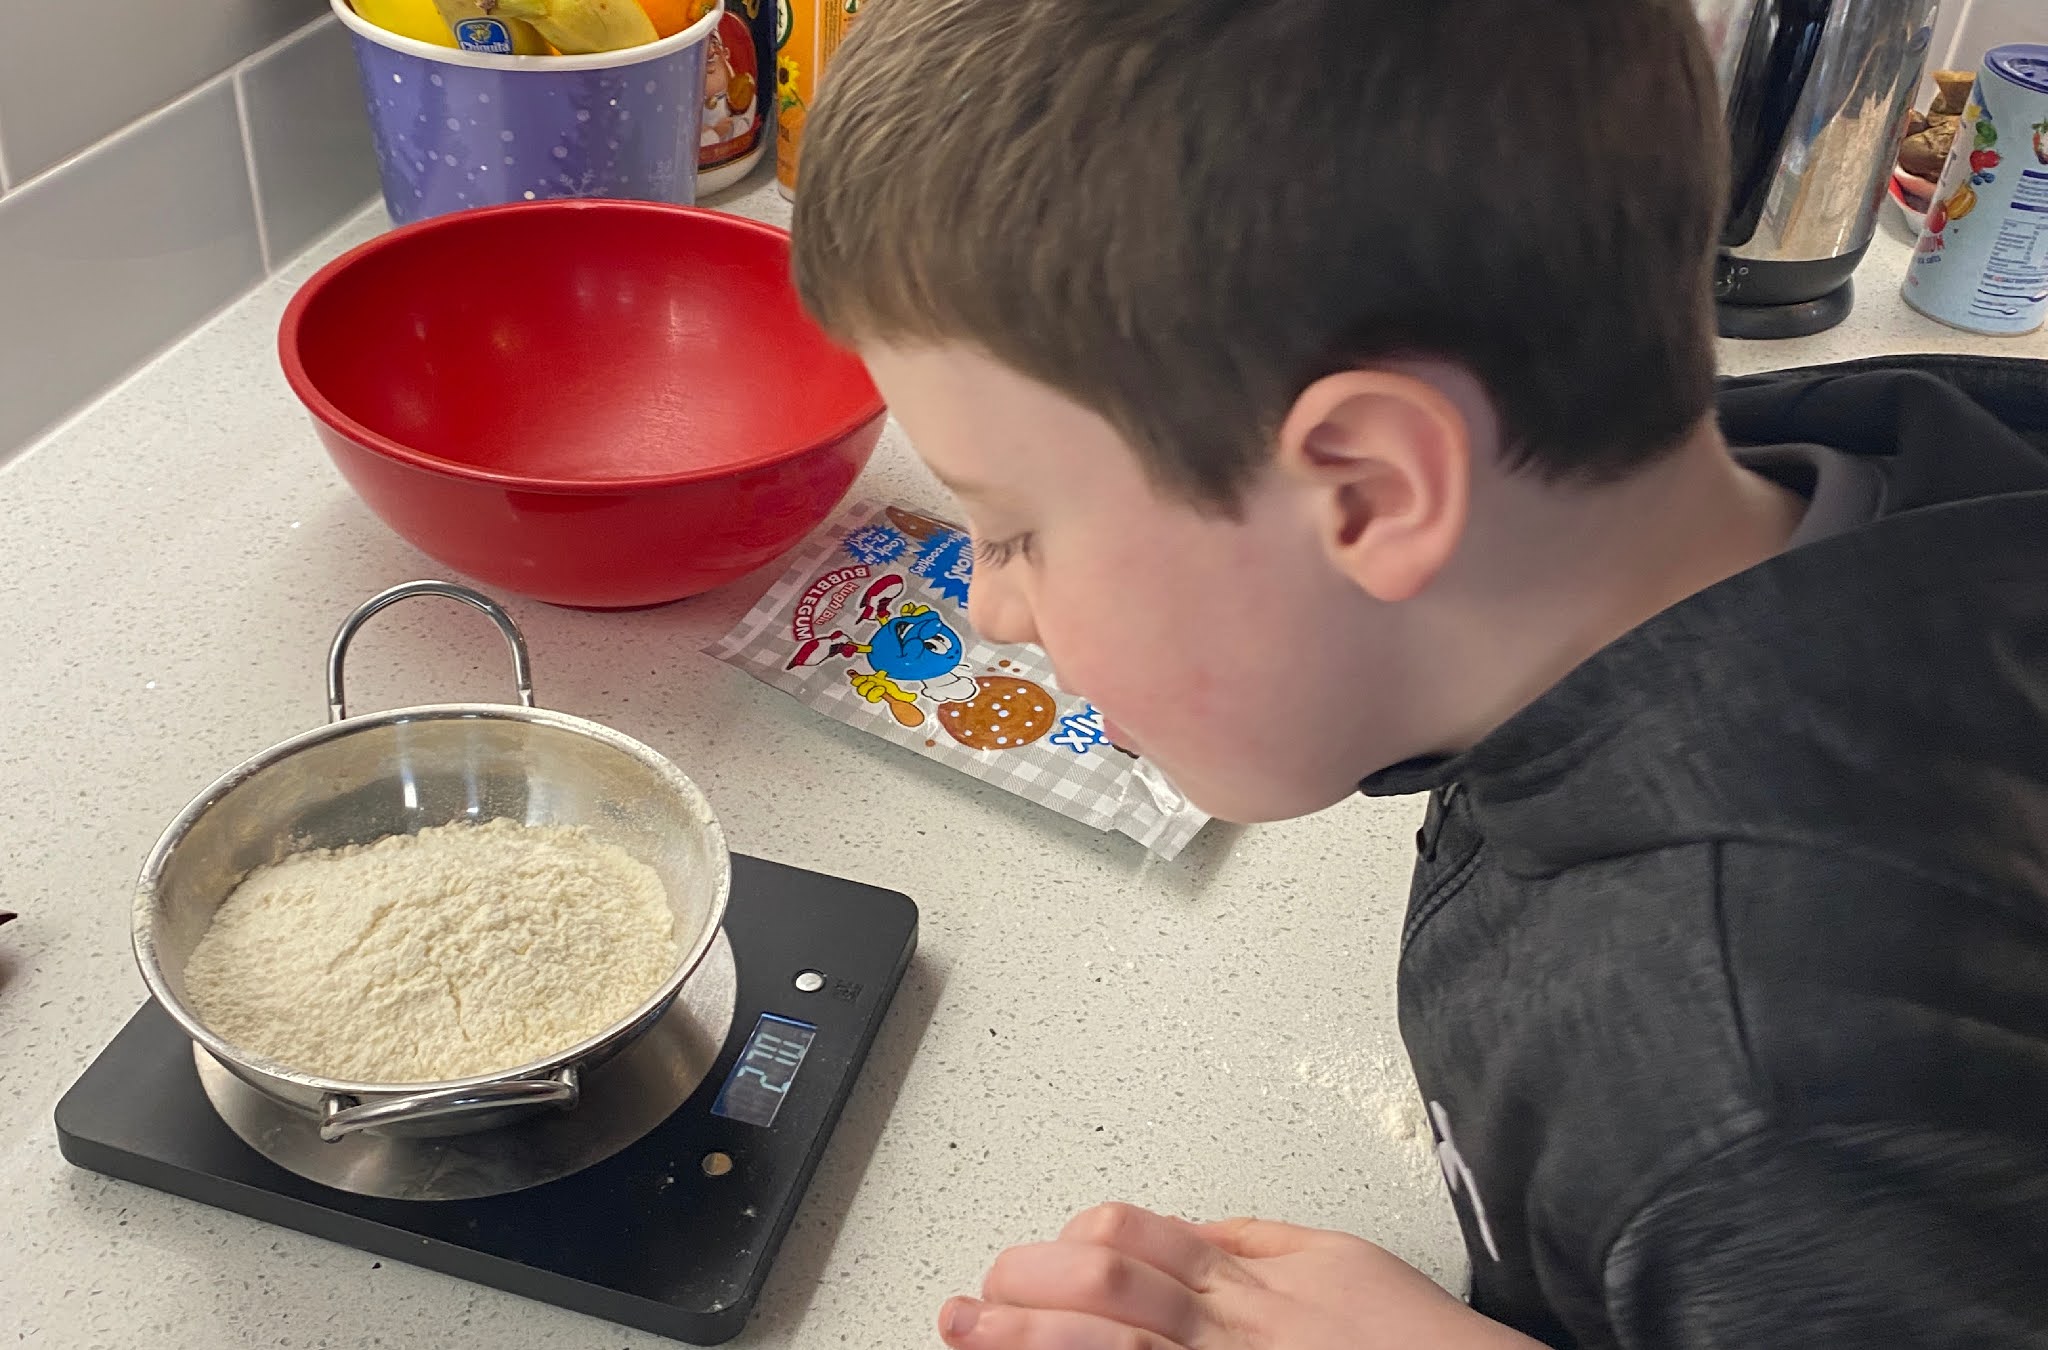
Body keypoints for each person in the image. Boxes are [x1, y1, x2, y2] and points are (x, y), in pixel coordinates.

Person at [789, 1, 2048, 1345]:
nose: (991, 609)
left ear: (1373, 493)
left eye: (1016, 529)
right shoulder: (1838, 475)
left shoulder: (1767, 1101)